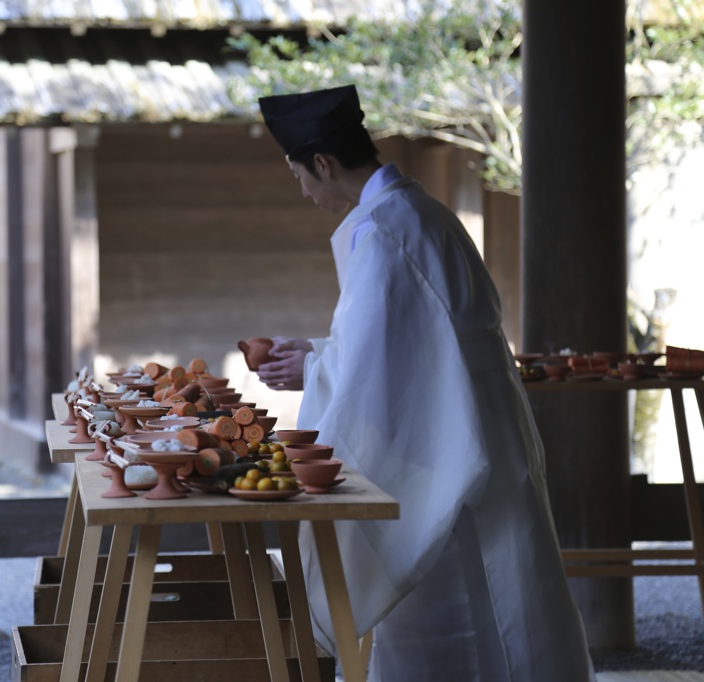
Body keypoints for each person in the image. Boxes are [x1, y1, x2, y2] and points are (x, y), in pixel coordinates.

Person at [254, 84, 596, 681]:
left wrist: (312, 369)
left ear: (324, 163)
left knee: (453, 607)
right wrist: (316, 353)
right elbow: (401, 341)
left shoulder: (386, 233)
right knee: (509, 599)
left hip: (446, 439)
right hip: (476, 417)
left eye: (298, 175)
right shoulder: (419, 212)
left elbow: (388, 366)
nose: (303, 190)